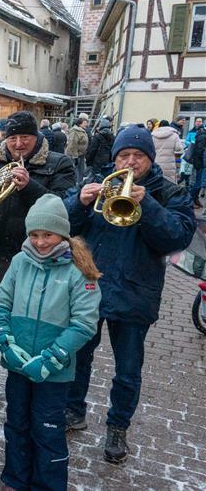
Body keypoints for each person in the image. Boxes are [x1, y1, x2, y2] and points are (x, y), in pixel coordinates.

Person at [64, 124, 195, 464]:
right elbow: (63, 225)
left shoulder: (168, 193)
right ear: (115, 157)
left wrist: (148, 205)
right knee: (79, 358)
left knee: (127, 369)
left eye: (139, 156)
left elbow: (178, 237)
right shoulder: (98, 183)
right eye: (124, 155)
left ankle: (117, 427)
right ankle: (73, 410)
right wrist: (78, 202)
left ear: (150, 159)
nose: (131, 162)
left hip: (136, 293)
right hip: (90, 289)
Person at [0, 194, 100, 491]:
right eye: (34, 234)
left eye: (47, 234)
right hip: (18, 365)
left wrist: (53, 357)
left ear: (61, 233)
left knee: (47, 429)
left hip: (54, 372)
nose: (40, 242)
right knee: (16, 423)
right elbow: (0, 303)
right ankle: (16, 478)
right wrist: (4, 341)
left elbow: (84, 322)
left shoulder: (79, 271)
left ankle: (47, 485)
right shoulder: (19, 261)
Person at [0, 111, 76, 390]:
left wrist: (29, 187)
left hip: (35, 258)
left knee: (32, 316)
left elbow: (63, 207)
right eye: (12, 137)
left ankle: (31, 363)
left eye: (25, 137)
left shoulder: (59, 163)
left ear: (36, 137)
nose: (18, 143)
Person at [66, 118, 89, 184]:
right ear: (80, 123)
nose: (86, 124)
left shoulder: (82, 131)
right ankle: (75, 185)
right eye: (85, 123)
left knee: (81, 172)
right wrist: (74, 156)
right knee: (76, 172)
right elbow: (73, 144)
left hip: (81, 155)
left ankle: (79, 184)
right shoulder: (75, 131)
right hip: (76, 155)